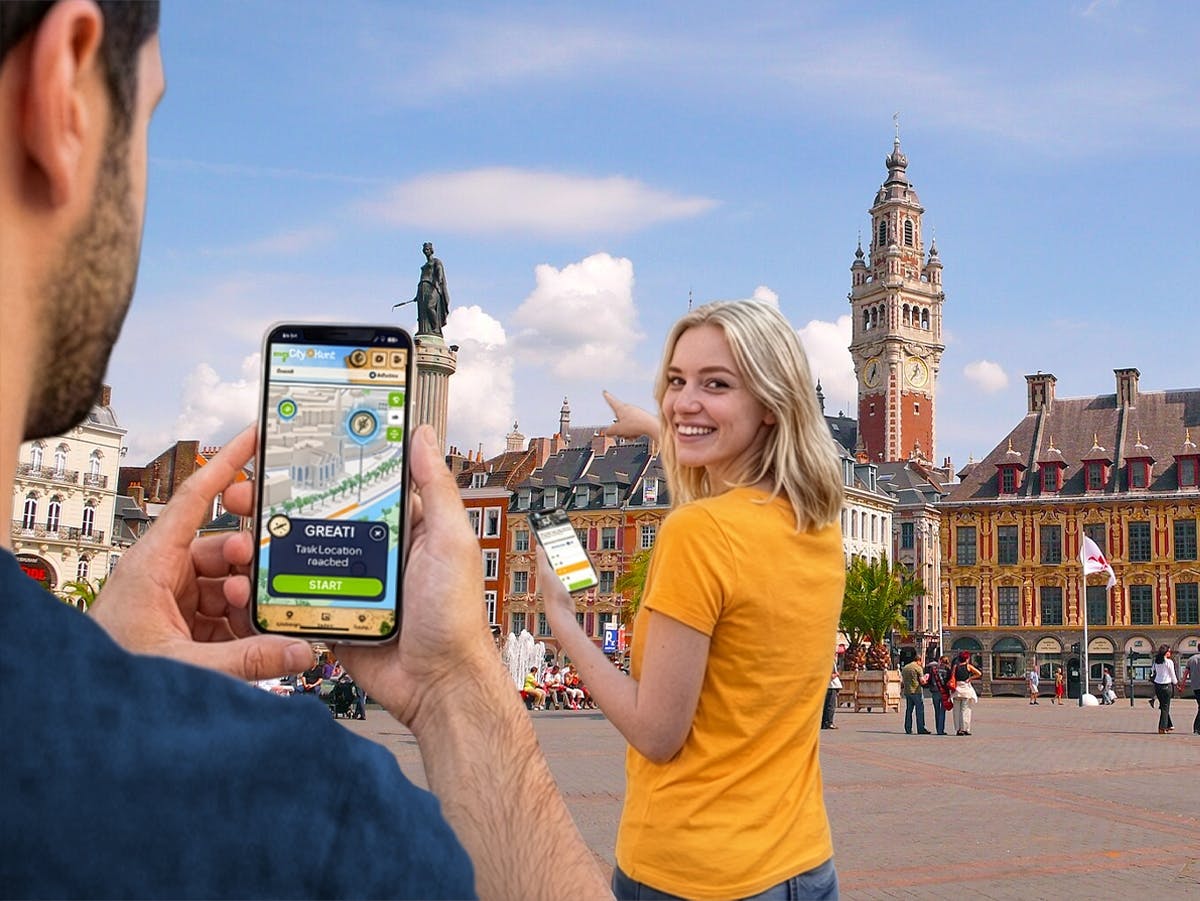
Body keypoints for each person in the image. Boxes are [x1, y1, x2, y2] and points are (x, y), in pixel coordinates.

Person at [0, 5, 608, 897]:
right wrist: (455, 687)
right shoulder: (299, 823)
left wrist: (100, 673)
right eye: (151, 118)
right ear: (65, 90)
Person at [540, 301, 846, 899]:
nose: (683, 401)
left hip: (693, 869)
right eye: (676, 382)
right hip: (803, 862)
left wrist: (564, 624)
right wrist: (656, 427)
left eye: (716, 384)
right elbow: (730, 477)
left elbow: (657, 733)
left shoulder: (698, 533)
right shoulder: (817, 522)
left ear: (770, 404)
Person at [412, 241, 449, 336]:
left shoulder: (436, 261)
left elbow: (439, 273)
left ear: (432, 250)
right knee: (422, 311)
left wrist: (438, 281)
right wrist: (417, 295)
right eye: (425, 249)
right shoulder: (424, 265)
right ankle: (423, 330)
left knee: (430, 307)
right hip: (422, 288)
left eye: (428, 249)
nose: (426, 251)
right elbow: (421, 278)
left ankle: (435, 328)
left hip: (432, 286)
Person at [951, 651, 982, 736]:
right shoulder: (968, 666)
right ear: (967, 658)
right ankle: (965, 729)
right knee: (966, 710)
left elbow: (952, 677)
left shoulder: (955, 666)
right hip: (965, 689)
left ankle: (958, 729)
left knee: (956, 711)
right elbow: (979, 673)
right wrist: (970, 678)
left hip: (957, 689)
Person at [1150, 645, 1178, 734]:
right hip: (1166, 686)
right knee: (1165, 707)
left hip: (1157, 685)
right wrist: (1176, 683)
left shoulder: (1156, 662)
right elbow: (1172, 674)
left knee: (1163, 707)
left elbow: (1152, 672)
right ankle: (1162, 727)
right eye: (1169, 651)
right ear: (1166, 652)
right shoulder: (1169, 662)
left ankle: (1169, 725)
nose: (1170, 653)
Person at [901, 656, 931, 734]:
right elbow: (922, 681)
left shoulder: (905, 668)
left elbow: (902, 681)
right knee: (919, 711)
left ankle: (908, 728)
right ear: (919, 660)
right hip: (916, 691)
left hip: (907, 692)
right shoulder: (918, 668)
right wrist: (926, 679)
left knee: (909, 710)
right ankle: (921, 728)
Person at [924, 655, 951, 735]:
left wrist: (930, 687)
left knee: (936, 710)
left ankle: (937, 728)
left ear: (940, 660)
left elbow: (929, 680)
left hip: (935, 691)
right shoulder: (948, 670)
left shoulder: (934, 669)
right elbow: (949, 681)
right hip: (944, 692)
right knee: (943, 711)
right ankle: (940, 729)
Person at [1184, 653, 1200, 735]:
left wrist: (1182, 684)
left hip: (1195, 686)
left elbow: (1186, 672)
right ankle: (1197, 728)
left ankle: (1197, 728)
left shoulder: (1191, 659)